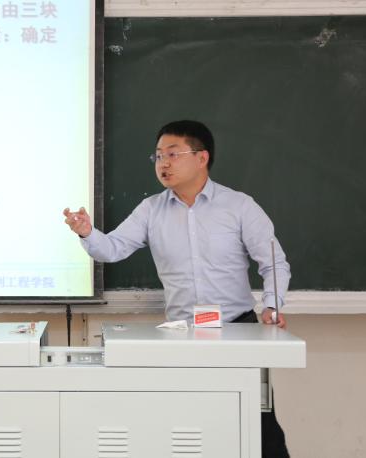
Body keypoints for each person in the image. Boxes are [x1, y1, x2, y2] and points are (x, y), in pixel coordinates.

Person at [64, 120, 291, 457]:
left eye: (173, 154)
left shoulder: (239, 206)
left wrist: (272, 306)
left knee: (257, 423)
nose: (163, 164)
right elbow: (112, 248)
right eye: (158, 156)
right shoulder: (151, 210)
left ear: (202, 158)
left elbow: (274, 264)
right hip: (182, 333)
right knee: (187, 424)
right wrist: (87, 232)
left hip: (237, 329)